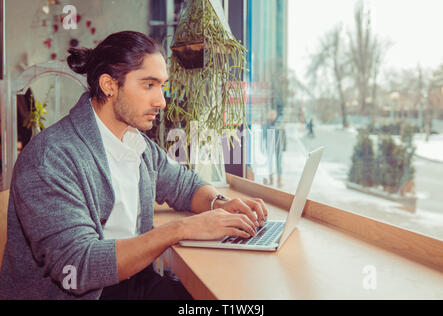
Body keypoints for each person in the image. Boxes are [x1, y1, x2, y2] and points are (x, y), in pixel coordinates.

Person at [0, 31, 268, 300]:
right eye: (148, 85)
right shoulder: (51, 158)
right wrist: (182, 229)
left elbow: (182, 184)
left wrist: (218, 203)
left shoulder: (135, 142)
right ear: (109, 85)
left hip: (133, 281)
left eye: (162, 86)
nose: (161, 101)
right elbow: (77, 268)